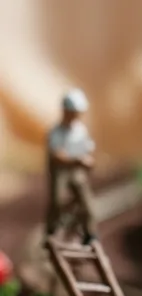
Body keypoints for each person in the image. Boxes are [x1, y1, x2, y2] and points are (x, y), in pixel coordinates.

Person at [46, 89, 97, 244]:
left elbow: (88, 149)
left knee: (86, 202)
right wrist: (77, 160)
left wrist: (88, 160)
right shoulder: (56, 132)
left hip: (76, 170)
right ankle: (52, 231)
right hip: (61, 171)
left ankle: (89, 233)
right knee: (57, 201)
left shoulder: (80, 130)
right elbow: (57, 155)